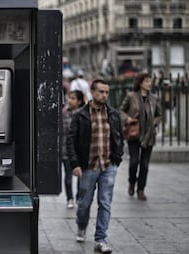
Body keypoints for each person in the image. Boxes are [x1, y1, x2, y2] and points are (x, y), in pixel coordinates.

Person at [67, 79, 124, 253]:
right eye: (101, 92)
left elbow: (119, 138)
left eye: (107, 92)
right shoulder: (80, 115)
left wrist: (117, 158)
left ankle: (101, 239)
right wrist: (75, 164)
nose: (104, 95)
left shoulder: (113, 114)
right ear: (92, 92)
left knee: (105, 202)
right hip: (88, 166)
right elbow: (70, 141)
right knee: (84, 203)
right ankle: (81, 226)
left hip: (108, 165)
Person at [119, 73, 162, 201]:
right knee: (134, 161)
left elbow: (159, 114)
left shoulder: (154, 98)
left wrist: (155, 121)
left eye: (150, 81)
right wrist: (128, 119)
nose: (150, 83)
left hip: (149, 135)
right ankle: (132, 181)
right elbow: (121, 110)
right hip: (134, 133)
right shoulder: (131, 96)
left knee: (144, 164)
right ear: (141, 83)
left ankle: (141, 189)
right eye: (147, 81)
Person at [62, 90, 85, 209]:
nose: (69, 101)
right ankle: (70, 198)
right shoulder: (64, 113)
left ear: (79, 101)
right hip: (66, 151)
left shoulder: (84, 114)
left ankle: (79, 197)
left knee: (82, 178)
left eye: (73, 98)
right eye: (69, 98)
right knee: (68, 176)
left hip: (81, 152)